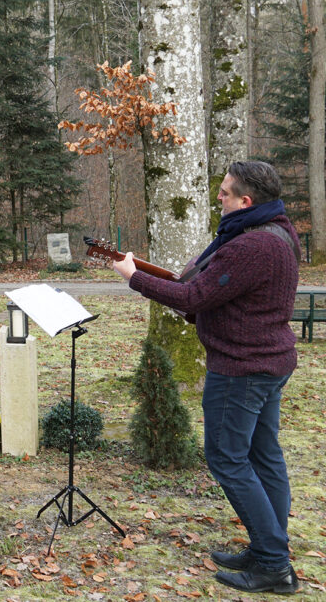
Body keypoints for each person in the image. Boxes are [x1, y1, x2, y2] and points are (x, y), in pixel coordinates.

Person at [112, 161, 300, 595]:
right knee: (263, 456)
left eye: (225, 193)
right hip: (269, 361)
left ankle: (274, 564)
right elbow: (213, 289)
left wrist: (134, 277)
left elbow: (194, 294)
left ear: (246, 201)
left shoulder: (250, 245)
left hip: (242, 368)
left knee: (228, 459)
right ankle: (268, 546)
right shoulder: (276, 230)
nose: (219, 198)